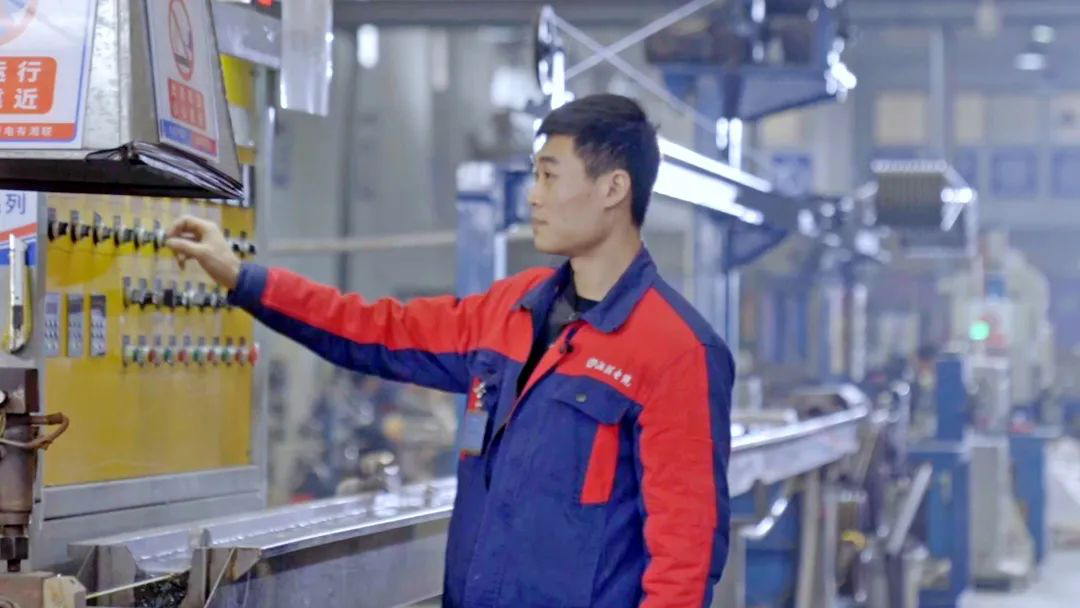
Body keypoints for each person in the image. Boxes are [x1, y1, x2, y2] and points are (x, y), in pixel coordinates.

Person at [167, 94, 734, 607]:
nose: (533, 195)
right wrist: (242, 277)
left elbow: (683, 564)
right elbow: (376, 330)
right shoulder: (512, 310)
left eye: (549, 175)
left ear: (613, 188)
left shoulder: (676, 351)